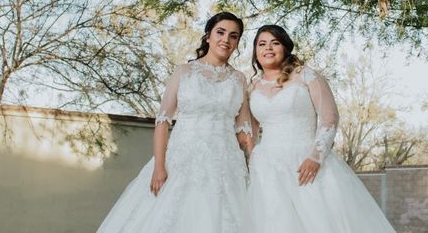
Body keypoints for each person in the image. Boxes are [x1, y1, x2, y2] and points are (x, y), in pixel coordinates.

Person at [97, 12, 253, 233]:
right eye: (220, 32)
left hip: (226, 163)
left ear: (237, 42)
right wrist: (159, 166)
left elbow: (244, 129)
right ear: (208, 36)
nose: (226, 40)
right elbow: (162, 121)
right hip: (182, 158)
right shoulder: (184, 71)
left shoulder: (239, 79)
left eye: (233, 36)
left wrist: (254, 165)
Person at [247, 24, 396, 233]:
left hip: (306, 161)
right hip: (267, 167)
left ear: (285, 48)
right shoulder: (252, 86)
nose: (268, 48)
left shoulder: (306, 75)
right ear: (255, 51)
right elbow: (250, 131)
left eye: (275, 43)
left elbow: (329, 117)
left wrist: (316, 157)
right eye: (262, 44)